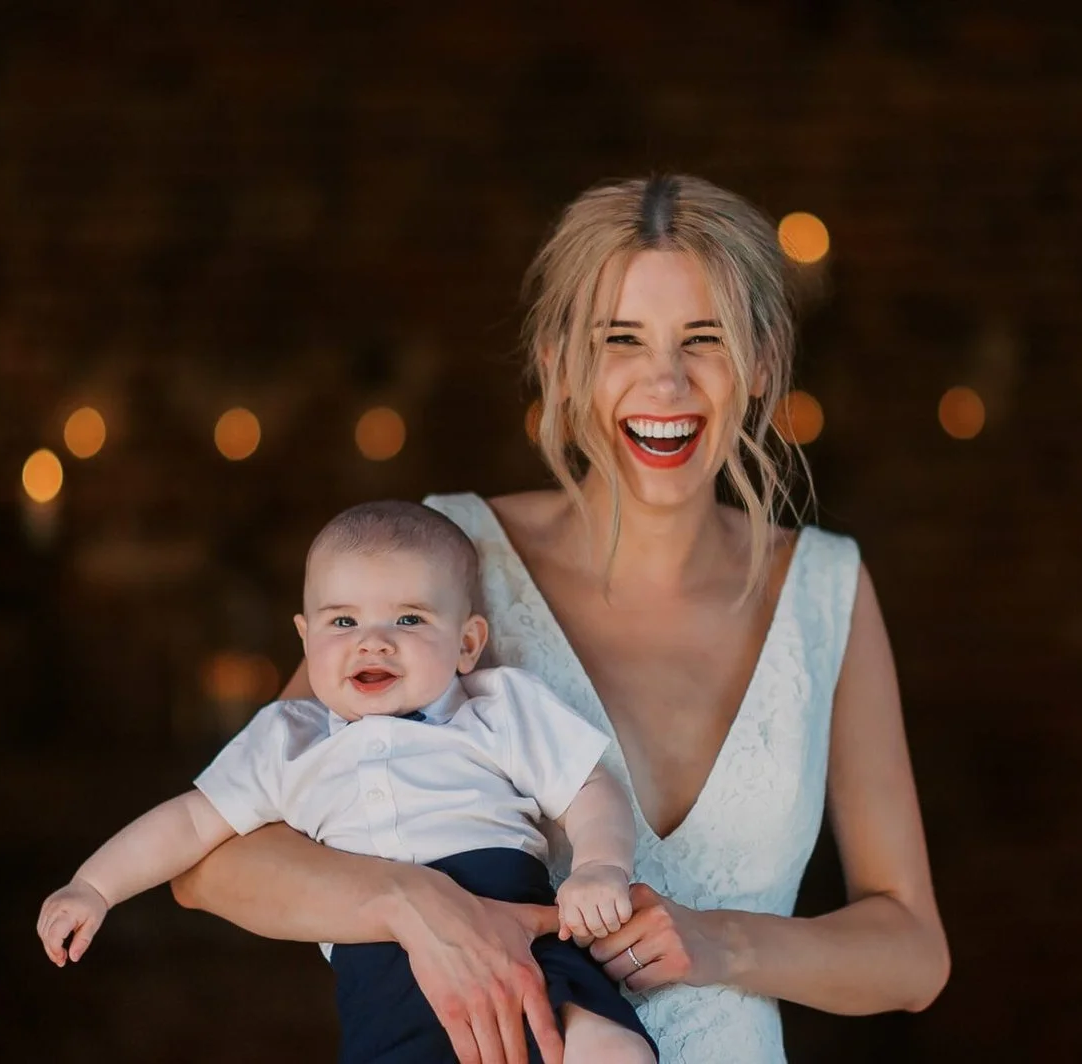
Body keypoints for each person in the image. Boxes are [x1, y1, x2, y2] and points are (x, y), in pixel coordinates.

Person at [172, 174, 950, 1064]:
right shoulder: (447, 561)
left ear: (763, 362)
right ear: (559, 362)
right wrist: (414, 904)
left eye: (706, 339)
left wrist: (725, 943)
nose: (666, 381)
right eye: (622, 340)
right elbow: (211, 861)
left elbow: (913, 951)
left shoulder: (826, 589)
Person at [37, 501, 656, 1064]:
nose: (374, 642)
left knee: (609, 1047)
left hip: (517, 928)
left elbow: (589, 788)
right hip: (378, 967)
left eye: (409, 619)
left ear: (467, 643)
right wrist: (95, 885)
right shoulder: (289, 739)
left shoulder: (495, 707)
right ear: (305, 641)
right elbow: (192, 821)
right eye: (343, 623)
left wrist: (600, 865)